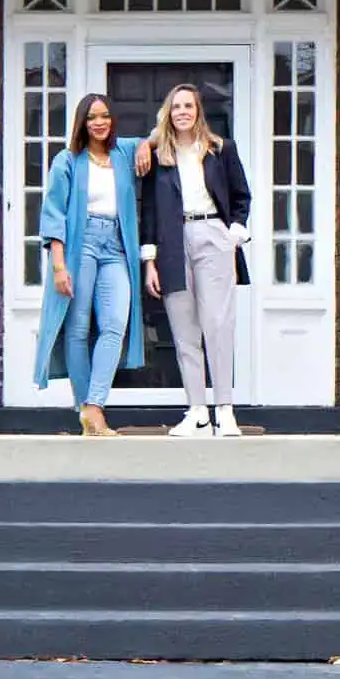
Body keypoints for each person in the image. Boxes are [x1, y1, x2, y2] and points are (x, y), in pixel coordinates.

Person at [33, 94, 153, 436]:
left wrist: (145, 144)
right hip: (80, 244)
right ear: (82, 122)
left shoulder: (123, 152)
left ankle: (94, 405)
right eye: (92, 117)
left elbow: (159, 133)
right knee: (79, 328)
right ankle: (88, 409)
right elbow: (53, 212)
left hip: (116, 246)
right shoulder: (68, 160)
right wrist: (58, 265)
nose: (99, 123)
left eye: (105, 116)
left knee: (115, 323)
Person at [141, 83, 252, 437]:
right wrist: (150, 260)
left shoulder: (221, 149)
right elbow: (149, 210)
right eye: (176, 107)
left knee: (218, 325)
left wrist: (233, 233)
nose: (183, 112)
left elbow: (241, 196)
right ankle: (197, 411)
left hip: (212, 236)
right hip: (173, 241)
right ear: (168, 113)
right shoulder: (160, 156)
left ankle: (225, 409)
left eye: (189, 106)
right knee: (184, 331)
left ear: (198, 111)